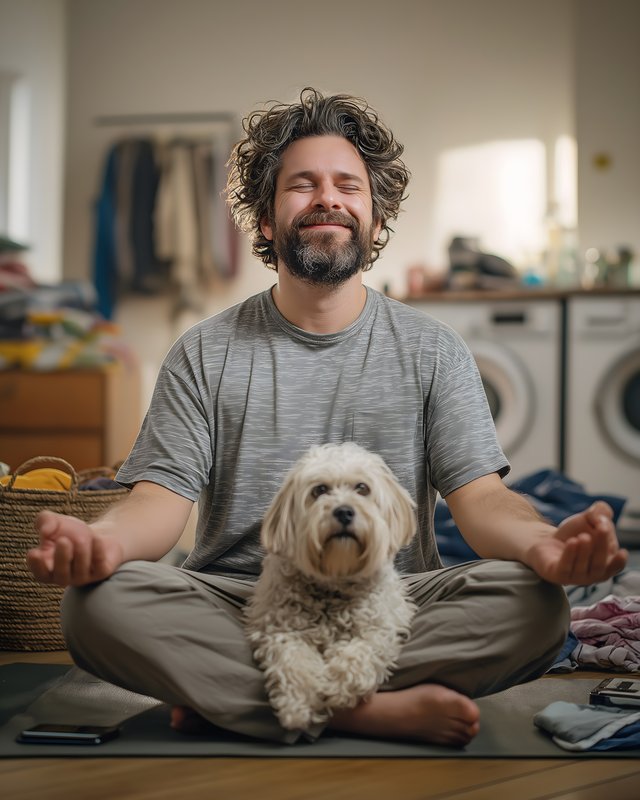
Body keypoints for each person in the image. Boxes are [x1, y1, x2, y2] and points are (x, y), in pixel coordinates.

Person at [28, 88, 627, 747]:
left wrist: (543, 544)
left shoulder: (434, 351)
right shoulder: (203, 352)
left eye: (348, 185)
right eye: (302, 185)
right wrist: (104, 546)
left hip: (392, 603)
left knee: (537, 606)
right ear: (264, 219)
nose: (327, 199)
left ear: (374, 219)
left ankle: (239, 699)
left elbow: (482, 501)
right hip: (237, 605)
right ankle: (359, 710)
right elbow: (158, 503)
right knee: (94, 608)